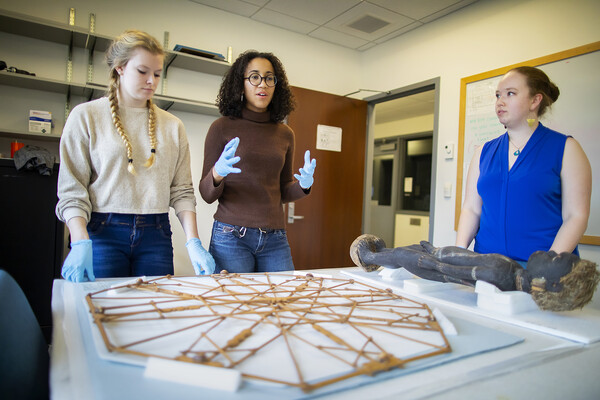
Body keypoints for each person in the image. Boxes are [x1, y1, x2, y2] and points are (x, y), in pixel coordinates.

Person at [56, 30, 215, 282]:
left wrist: (193, 242)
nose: (151, 80)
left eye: (157, 74)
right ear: (119, 68)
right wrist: (80, 241)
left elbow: (182, 191)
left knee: (154, 313)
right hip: (102, 232)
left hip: (156, 234)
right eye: (142, 71)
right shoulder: (86, 116)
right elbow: (72, 189)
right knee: (104, 312)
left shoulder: (173, 126)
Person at [456, 66, 591, 263]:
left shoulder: (566, 149)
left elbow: (576, 216)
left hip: (542, 270)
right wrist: (458, 253)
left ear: (535, 100)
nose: (500, 102)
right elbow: (471, 209)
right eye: (497, 95)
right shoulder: (482, 153)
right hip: (487, 267)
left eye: (510, 93)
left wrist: (548, 265)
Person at [199, 50, 316, 273]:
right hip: (231, 236)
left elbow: (282, 190)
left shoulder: (285, 133)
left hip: (275, 237)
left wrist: (304, 186)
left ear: (276, 85)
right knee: (236, 305)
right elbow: (206, 194)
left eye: (269, 78)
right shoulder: (221, 127)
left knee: (282, 301)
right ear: (241, 84)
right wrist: (217, 173)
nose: (262, 84)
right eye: (254, 77)